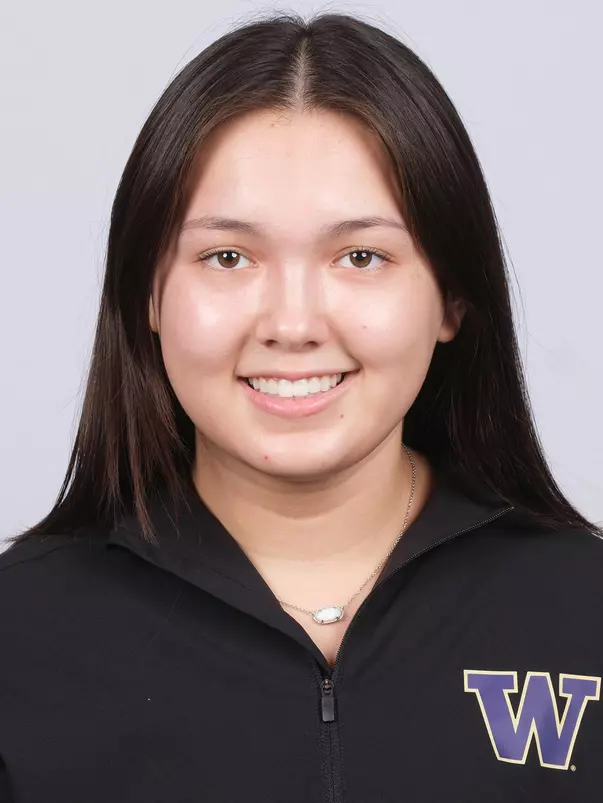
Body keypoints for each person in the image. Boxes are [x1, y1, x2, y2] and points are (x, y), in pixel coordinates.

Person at [1, 9, 601, 802]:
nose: (291, 324)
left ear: (451, 296)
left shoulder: (583, 610)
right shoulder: (20, 632)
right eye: (227, 256)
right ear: (147, 293)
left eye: (361, 256)